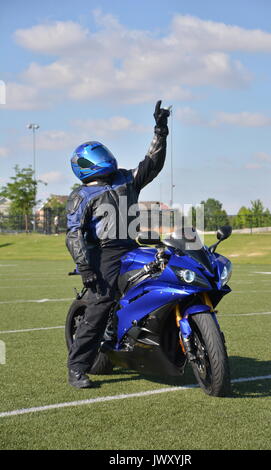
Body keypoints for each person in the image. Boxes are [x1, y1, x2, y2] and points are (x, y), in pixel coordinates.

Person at [66, 101, 170, 388]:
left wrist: (160, 131)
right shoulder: (81, 196)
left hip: (132, 246)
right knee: (101, 304)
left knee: (166, 276)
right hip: (104, 253)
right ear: (83, 166)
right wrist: (85, 266)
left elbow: (153, 163)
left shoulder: (126, 178)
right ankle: (77, 367)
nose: (105, 159)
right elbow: (73, 234)